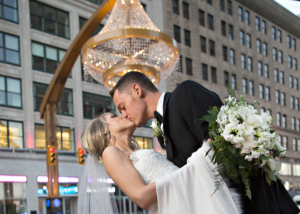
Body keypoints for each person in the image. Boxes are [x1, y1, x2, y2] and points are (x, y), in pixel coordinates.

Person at [109, 72, 299, 214]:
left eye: (122, 107)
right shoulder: (161, 131)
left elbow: (227, 151)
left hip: (258, 205)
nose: (124, 114)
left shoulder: (185, 93)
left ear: (137, 90)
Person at [78, 113, 242, 214]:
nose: (123, 115)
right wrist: (197, 163)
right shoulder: (110, 152)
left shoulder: (133, 153)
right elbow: (142, 198)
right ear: (103, 132)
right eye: (114, 116)